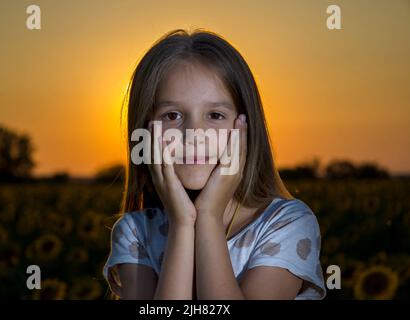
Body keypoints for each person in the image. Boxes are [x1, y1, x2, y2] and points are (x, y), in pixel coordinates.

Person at [103, 28, 326, 300]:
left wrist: (207, 215)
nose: (194, 134)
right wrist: (182, 224)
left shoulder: (285, 224)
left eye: (215, 115)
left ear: (245, 127)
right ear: (145, 132)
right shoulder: (135, 234)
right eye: (172, 115)